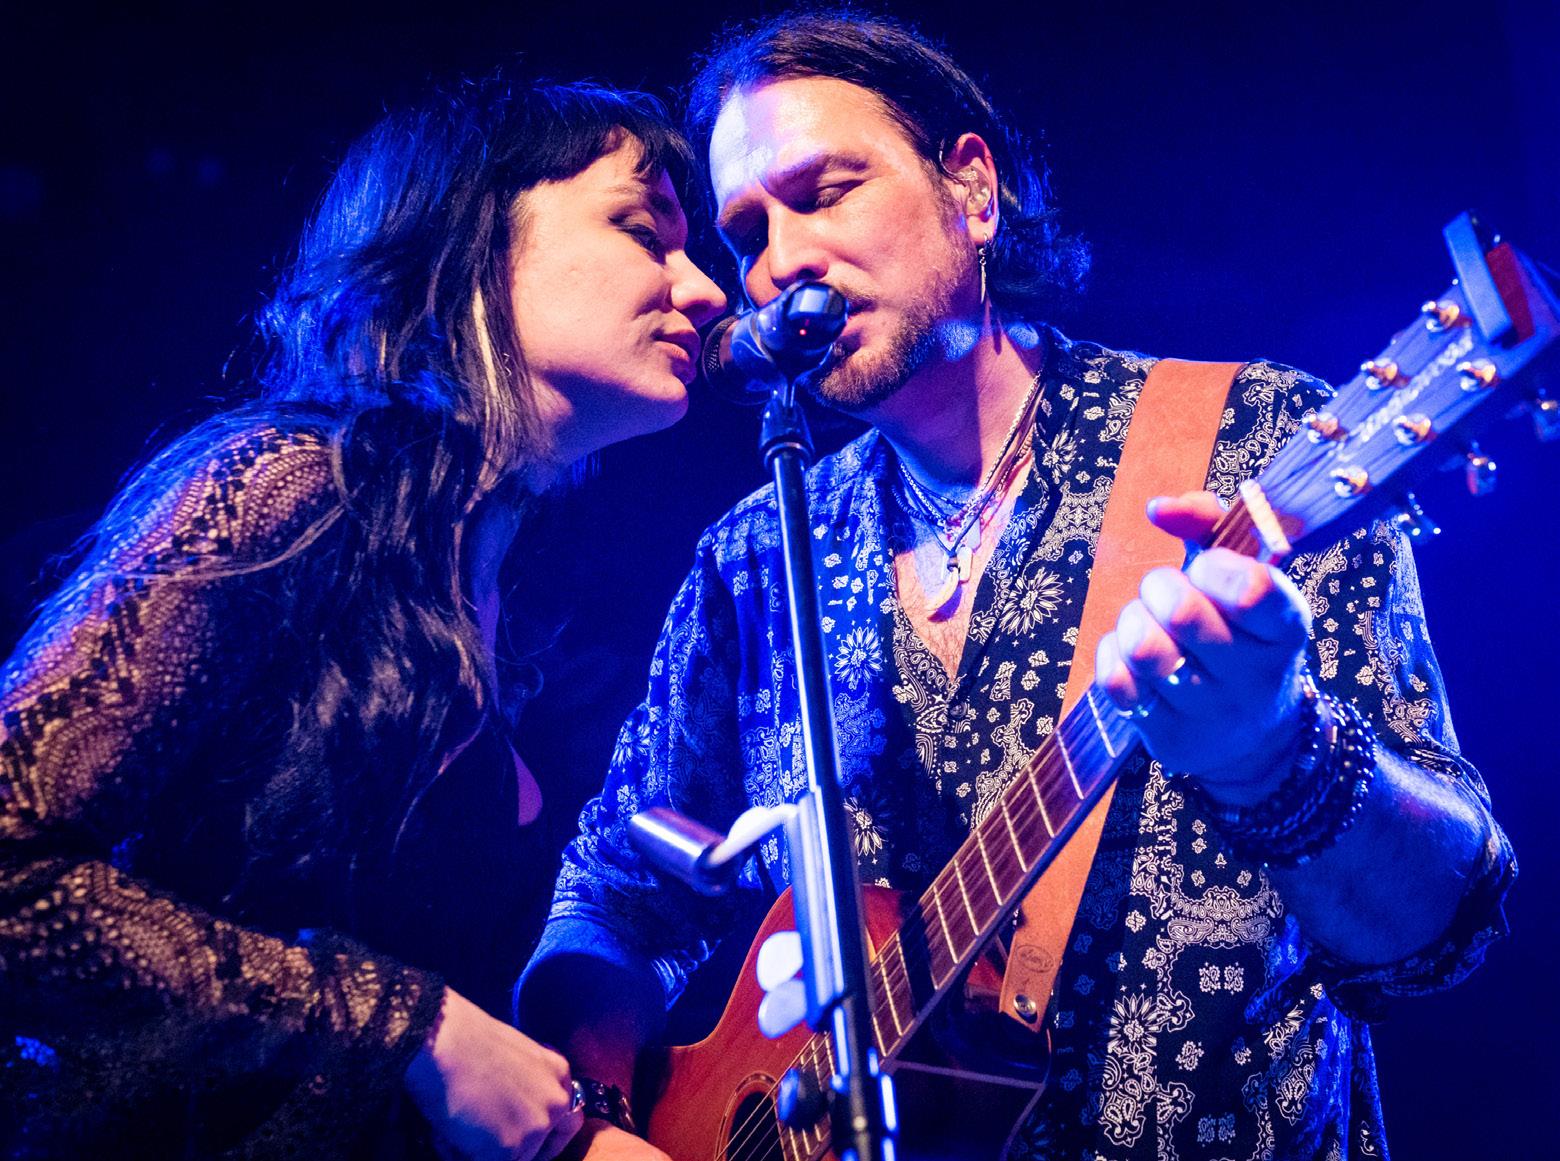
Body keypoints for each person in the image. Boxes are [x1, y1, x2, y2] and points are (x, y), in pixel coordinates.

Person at [517, 12, 1515, 1160]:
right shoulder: (749, 561)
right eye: (749, 233)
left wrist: (1277, 752)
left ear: (973, 191)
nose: (780, 261)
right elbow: (610, 897)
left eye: (825, 192)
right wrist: (595, 1125)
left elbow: (1441, 932)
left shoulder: (1253, 439)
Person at [0, 78, 725, 1160]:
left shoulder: (482, 596)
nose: (706, 289)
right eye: (642, 231)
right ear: (471, 243)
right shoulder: (287, 490)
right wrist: (409, 1027)